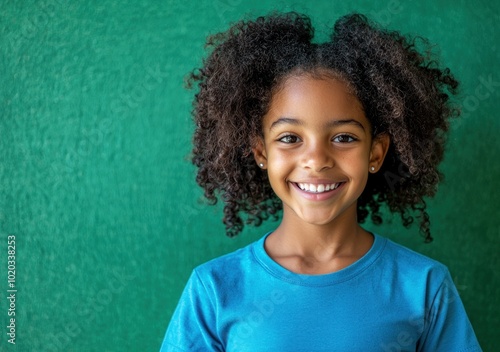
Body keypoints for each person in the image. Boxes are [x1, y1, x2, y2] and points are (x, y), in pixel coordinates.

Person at [160, 12, 482, 351]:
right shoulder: (214, 290)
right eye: (289, 138)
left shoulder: (424, 287)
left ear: (376, 153)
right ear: (261, 151)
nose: (316, 160)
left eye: (344, 137)